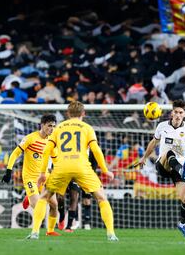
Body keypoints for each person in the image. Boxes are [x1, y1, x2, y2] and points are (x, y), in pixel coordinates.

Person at [27, 101, 118, 241]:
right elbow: (96, 150)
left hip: (61, 166)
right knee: (101, 198)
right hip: (82, 166)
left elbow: (46, 151)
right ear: (83, 114)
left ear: (68, 114)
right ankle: (111, 234)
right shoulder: (87, 128)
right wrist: (105, 170)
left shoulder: (59, 127)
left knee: (44, 197)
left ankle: (34, 233)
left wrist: (42, 174)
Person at [135, 99, 185, 238]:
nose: (177, 114)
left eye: (180, 112)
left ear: (184, 115)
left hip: (179, 167)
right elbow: (154, 142)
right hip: (163, 165)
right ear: (171, 113)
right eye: (175, 112)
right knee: (169, 153)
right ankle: (178, 168)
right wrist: (144, 157)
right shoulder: (162, 126)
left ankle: (182, 224)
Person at [1, 114, 60, 236]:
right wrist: (8, 171)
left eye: (54, 126)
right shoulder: (30, 138)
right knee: (40, 207)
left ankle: (50, 231)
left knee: (54, 205)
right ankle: (35, 232)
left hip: (45, 177)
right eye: (49, 126)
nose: (52, 129)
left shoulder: (52, 141)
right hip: (31, 178)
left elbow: (56, 160)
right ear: (42, 125)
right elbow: (15, 153)